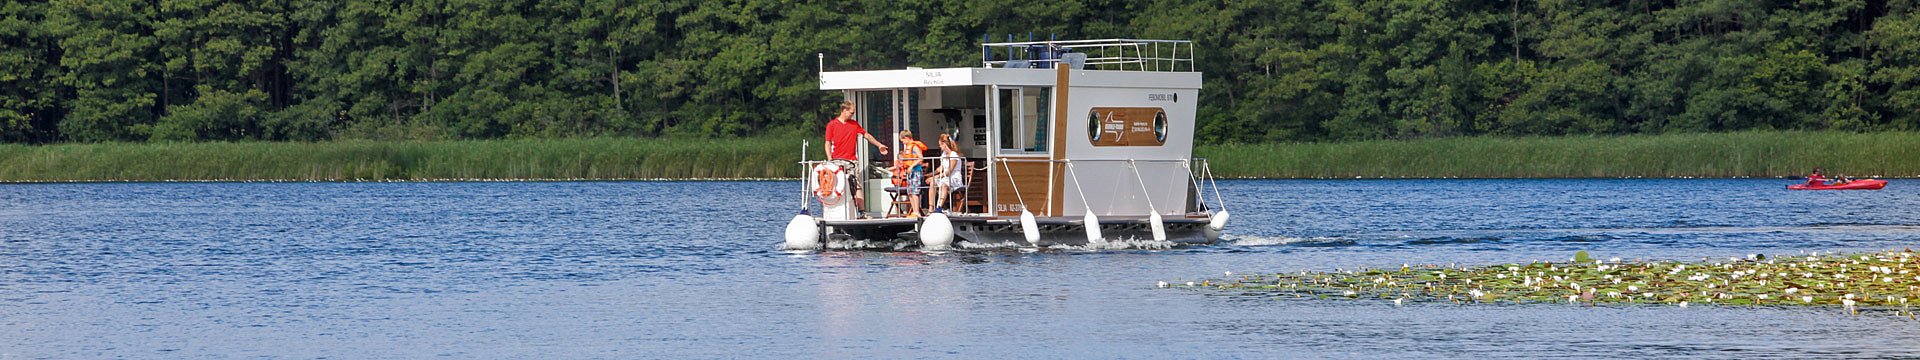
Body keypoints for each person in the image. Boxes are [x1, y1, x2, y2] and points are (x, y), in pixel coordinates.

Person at [824, 100, 887, 216]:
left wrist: (879, 145)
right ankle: (836, 209)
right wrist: (829, 158)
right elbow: (827, 143)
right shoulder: (832, 125)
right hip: (837, 160)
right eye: (851, 112)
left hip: (851, 160)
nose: (852, 115)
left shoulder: (854, 124)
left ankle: (862, 211)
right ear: (844, 110)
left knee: (856, 185)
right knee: (837, 184)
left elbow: (866, 135)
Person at [926, 134, 965, 213]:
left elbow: (948, 172)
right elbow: (940, 168)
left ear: (944, 144)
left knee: (944, 184)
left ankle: (939, 207)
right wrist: (930, 175)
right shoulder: (943, 155)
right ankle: (931, 207)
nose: (940, 147)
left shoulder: (954, 155)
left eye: (940, 145)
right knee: (933, 182)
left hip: (954, 178)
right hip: (945, 177)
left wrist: (937, 176)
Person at [892, 130, 928, 217]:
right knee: (910, 192)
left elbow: (920, 158)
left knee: (915, 191)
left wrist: (911, 166)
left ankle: (917, 211)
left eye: (903, 141)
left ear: (907, 138)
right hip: (909, 172)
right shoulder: (907, 147)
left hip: (915, 171)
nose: (903, 143)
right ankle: (914, 211)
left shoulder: (914, 147)